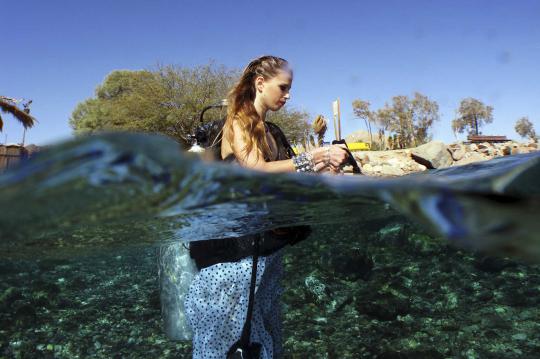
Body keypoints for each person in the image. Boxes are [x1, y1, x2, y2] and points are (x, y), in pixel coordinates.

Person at [184, 55, 349, 358]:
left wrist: (326, 170)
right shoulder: (238, 123)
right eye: (283, 88)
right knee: (224, 341)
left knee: (266, 338)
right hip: (231, 257)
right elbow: (255, 170)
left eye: (290, 89)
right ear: (260, 83)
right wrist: (313, 158)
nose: (288, 95)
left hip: (267, 252)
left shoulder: (273, 132)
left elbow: (289, 178)